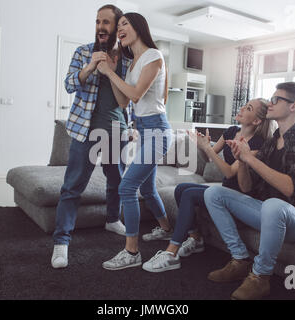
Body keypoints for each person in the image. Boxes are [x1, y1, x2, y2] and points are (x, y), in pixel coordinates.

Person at [203, 82, 295, 300]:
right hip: (267, 211)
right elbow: (246, 187)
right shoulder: (270, 144)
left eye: (276, 99)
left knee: (274, 205)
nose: (270, 103)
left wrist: (250, 158)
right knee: (213, 193)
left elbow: (291, 188)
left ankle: (260, 276)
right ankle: (240, 259)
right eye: (271, 98)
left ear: (293, 106)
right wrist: (242, 160)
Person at [142, 98, 274, 273]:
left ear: (257, 120)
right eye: (244, 104)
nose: (241, 108)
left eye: (248, 108)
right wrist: (202, 147)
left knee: (188, 194)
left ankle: (171, 253)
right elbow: (208, 159)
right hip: (223, 189)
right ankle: (195, 239)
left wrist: (208, 148)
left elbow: (229, 172)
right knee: (182, 189)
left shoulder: (257, 144)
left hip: (240, 196)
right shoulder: (231, 131)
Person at [51, 4, 132, 269]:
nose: (100, 26)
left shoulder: (127, 60)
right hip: (85, 131)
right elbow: (68, 84)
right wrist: (90, 67)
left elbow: (129, 98)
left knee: (116, 180)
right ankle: (61, 241)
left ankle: (112, 219)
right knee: (73, 186)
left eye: (107, 22)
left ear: (118, 26)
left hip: (117, 131)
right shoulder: (83, 51)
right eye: (98, 21)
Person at [95, 12, 173, 271]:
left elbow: (137, 95)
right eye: (118, 27)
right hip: (143, 129)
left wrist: (109, 72)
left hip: (158, 130)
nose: (120, 30)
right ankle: (166, 230)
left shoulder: (153, 55)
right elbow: (123, 101)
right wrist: (109, 73)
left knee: (127, 187)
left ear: (139, 27)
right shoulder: (131, 64)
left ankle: (132, 252)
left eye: (125, 24)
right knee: (148, 189)